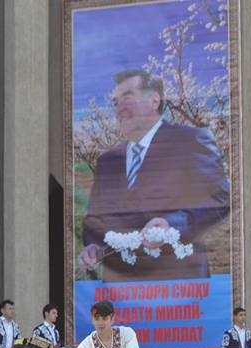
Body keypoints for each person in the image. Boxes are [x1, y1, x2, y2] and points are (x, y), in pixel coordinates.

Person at [78, 69, 229, 282]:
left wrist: (173, 225)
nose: (119, 109)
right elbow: (93, 221)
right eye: (115, 103)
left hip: (179, 285)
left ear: (154, 101)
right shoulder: (107, 161)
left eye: (127, 98)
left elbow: (220, 199)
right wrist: (94, 246)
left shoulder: (190, 141)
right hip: (119, 291)